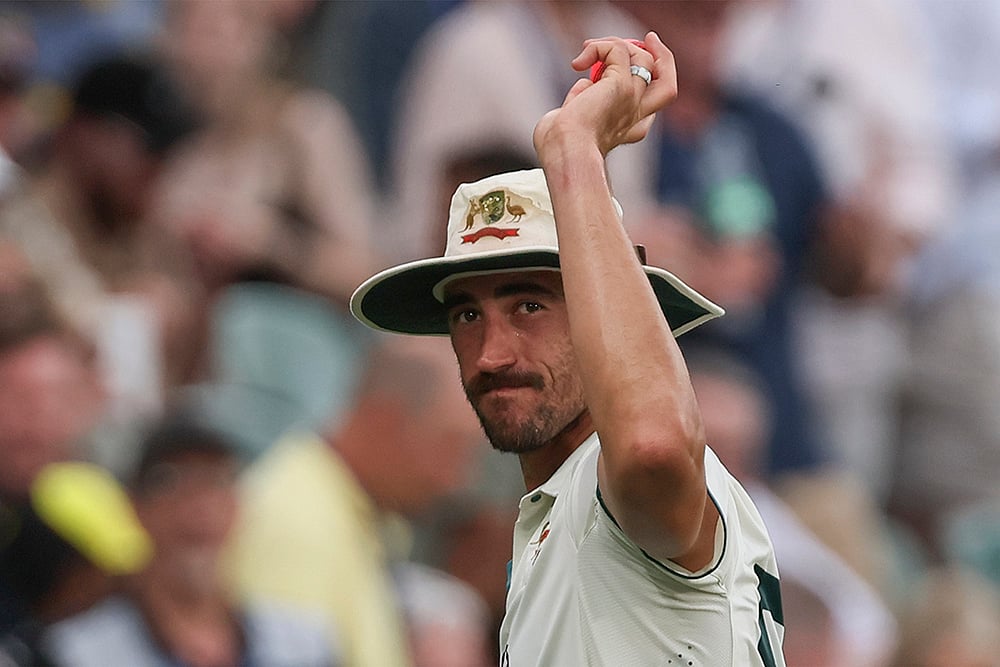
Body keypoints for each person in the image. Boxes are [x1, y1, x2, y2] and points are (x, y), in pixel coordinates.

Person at [351, 33, 784, 665]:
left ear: (612, 307)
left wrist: (574, 147)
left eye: (529, 305)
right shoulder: (555, 515)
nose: (491, 353)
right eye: (467, 313)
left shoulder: (611, 485)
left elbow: (653, 447)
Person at [227, 336, 485, 667]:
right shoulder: (299, 528)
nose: (456, 480)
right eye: (451, 448)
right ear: (385, 424)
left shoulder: (343, 505)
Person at [42, 413, 337, 667]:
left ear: (238, 505)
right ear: (135, 506)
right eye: (170, 481)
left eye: (216, 480)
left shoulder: (302, 646)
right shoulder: (77, 653)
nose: (198, 506)